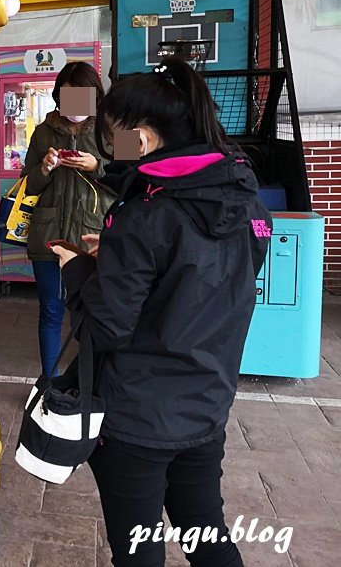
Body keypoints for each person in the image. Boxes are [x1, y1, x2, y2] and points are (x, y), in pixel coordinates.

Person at [50, 56, 272, 566]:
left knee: (138, 551)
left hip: (139, 419)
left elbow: (107, 326)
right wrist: (119, 258)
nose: (112, 148)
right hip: (208, 403)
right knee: (207, 531)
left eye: (114, 136)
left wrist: (79, 269)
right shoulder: (244, 202)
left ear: (143, 138)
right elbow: (199, 279)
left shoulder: (147, 215)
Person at [21, 61, 111, 376]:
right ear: (59, 96)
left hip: (92, 238)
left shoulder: (112, 130)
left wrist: (97, 165)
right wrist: (44, 168)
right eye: (68, 97)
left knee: (91, 314)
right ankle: (50, 383)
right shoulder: (43, 132)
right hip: (49, 237)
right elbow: (28, 184)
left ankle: (87, 382)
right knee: (50, 312)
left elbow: (133, 176)